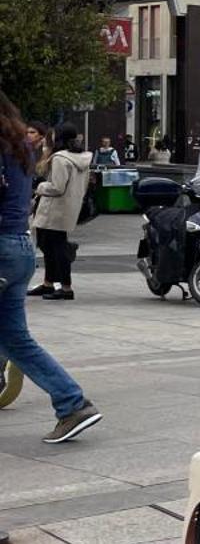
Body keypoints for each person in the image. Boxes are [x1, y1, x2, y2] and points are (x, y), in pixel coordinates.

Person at [0, 93, 99, 448]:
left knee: (15, 339)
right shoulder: (20, 145)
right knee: (15, 339)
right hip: (19, 247)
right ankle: (72, 404)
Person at [29, 126, 91, 302]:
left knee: (55, 247)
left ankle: (65, 287)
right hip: (68, 207)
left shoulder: (60, 159)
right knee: (51, 245)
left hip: (54, 208)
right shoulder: (80, 158)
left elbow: (57, 187)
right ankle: (49, 283)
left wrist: (40, 186)